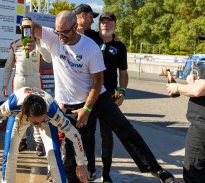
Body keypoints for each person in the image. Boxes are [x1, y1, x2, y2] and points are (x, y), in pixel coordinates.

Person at [23, 11, 175, 183]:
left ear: (75, 27)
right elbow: (30, 26)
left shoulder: (90, 47)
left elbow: (98, 82)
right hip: (71, 104)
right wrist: (28, 32)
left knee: (126, 130)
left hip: (98, 98)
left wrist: (87, 109)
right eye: (58, 32)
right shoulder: (54, 37)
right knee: (73, 148)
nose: (61, 36)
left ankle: (156, 169)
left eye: (64, 32)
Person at [0, 87, 88, 183]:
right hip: (19, 116)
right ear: (26, 115)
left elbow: (75, 135)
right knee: (9, 155)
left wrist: (81, 163)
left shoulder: (53, 111)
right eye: (36, 124)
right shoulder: (13, 104)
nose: (39, 126)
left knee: (54, 158)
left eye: (41, 121)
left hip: (48, 120)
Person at [75, 6, 128, 182]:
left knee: (107, 135)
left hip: (108, 97)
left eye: (108, 21)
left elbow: (123, 72)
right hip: (89, 95)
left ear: (114, 24)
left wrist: (122, 91)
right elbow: (76, 26)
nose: (104, 24)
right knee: (88, 134)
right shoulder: (91, 36)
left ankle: (106, 172)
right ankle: (90, 167)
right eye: (102, 21)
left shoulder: (120, 46)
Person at [2, 20, 52, 156]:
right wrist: (4, 84)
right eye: (24, 27)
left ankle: (39, 143)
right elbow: (8, 67)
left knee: (38, 109)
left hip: (35, 79)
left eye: (29, 27)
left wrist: (38, 45)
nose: (27, 29)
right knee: (19, 111)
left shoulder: (40, 43)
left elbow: (48, 59)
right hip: (19, 79)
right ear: (20, 27)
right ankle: (22, 140)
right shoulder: (14, 44)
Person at [166, 35, 205, 183]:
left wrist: (176, 87)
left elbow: (197, 91)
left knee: (193, 172)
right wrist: (194, 82)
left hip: (202, 127)